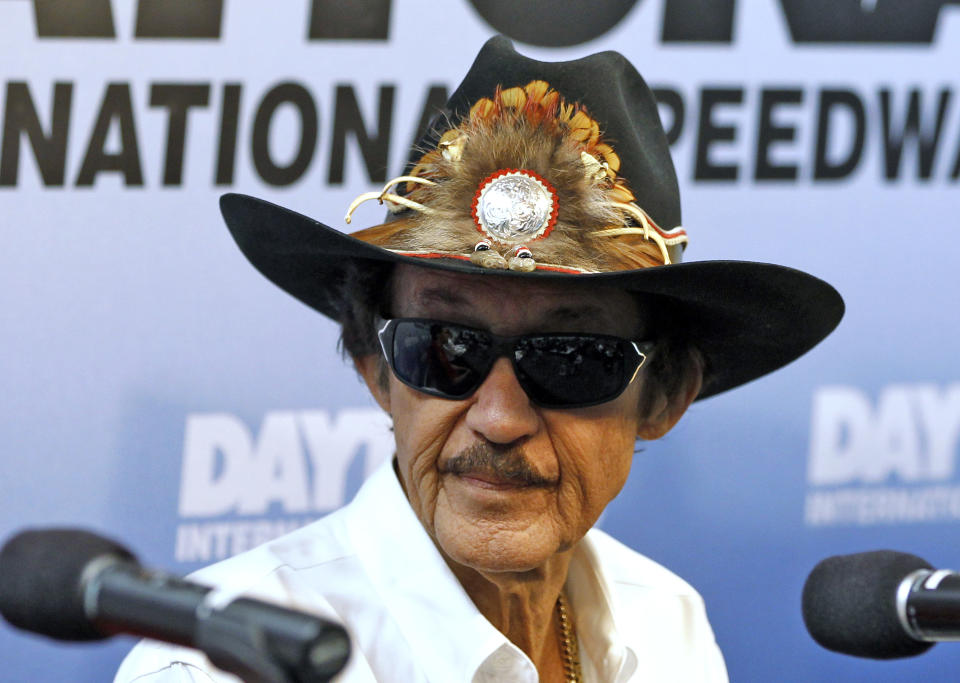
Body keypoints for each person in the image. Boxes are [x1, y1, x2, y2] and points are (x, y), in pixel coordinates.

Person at [116, 37, 843, 682]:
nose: (498, 418)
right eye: (444, 348)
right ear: (376, 368)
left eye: (569, 357)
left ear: (664, 396)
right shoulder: (218, 667)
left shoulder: (667, 625)